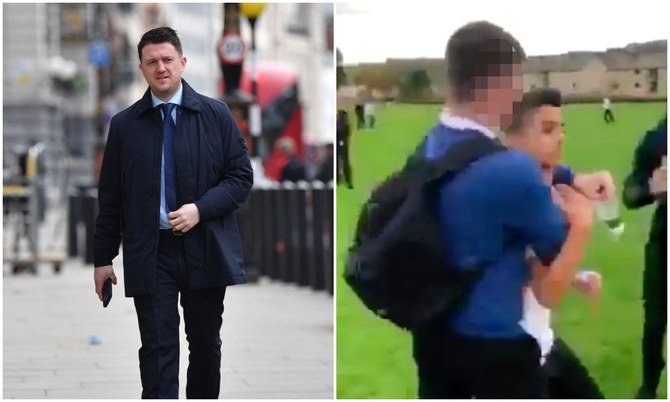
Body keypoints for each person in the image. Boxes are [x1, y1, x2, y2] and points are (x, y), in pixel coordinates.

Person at [411, 22, 594, 399]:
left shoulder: (431, 147)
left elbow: (484, 176)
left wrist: (571, 175)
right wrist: (583, 225)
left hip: (435, 336)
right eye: (517, 80)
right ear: (499, 85)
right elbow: (550, 288)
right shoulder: (513, 172)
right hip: (496, 348)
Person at [93, 27, 253, 399]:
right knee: (157, 349)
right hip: (151, 252)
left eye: (167, 60)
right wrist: (103, 259)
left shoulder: (215, 115)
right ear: (142, 68)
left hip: (205, 247)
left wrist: (199, 209)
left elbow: (241, 177)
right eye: (152, 62)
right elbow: (111, 197)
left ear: (182, 62)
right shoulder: (124, 126)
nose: (161, 68)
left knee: (205, 345)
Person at [506, 88, 607, 398]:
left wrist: (576, 277)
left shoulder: (538, 182)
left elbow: (530, 261)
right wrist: (582, 227)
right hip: (516, 357)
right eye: (548, 130)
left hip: (542, 342)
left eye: (561, 128)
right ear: (512, 139)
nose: (561, 138)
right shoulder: (516, 197)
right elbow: (547, 292)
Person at [622, 115, 667, 399]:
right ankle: (648, 387)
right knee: (655, 319)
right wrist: (650, 188)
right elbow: (630, 193)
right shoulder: (659, 137)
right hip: (665, 242)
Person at [336, 109, 353, 189]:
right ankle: (341, 179)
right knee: (341, 162)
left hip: (342, 143)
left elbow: (346, 132)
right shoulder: (343, 122)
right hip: (341, 143)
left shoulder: (343, 123)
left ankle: (346, 179)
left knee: (343, 162)